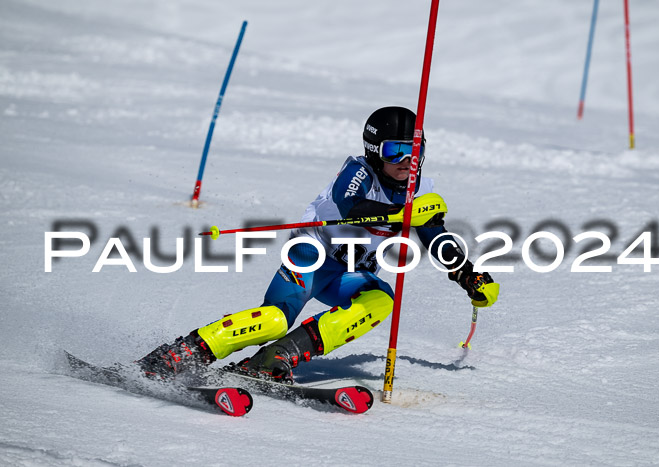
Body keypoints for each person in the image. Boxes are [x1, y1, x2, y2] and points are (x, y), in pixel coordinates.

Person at [138, 106, 499, 381]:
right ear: (375, 151)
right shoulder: (358, 171)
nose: (407, 161)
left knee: (380, 300)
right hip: (312, 255)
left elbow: (434, 234)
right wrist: (401, 213)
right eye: (395, 152)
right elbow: (350, 204)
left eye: (414, 151)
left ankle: (274, 359)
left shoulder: (420, 189)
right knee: (276, 319)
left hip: (350, 272)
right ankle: (182, 353)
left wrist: (467, 275)